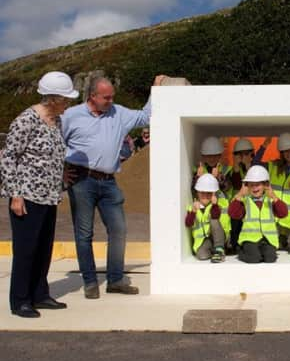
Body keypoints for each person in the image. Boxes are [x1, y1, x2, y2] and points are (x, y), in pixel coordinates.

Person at [62, 74, 164, 299]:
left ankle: (115, 280)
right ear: (92, 96)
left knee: (118, 230)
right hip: (81, 180)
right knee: (84, 233)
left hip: (108, 181)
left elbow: (146, 116)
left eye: (112, 97)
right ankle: (90, 281)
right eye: (106, 97)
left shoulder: (118, 113)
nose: (110, 101)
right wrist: (61, 171)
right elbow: (55, 143)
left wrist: (154, 89)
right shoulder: (71, 115)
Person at [1, 71, 79, 317]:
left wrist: (60, 176)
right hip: (27, 196)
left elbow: (52, 155)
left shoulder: (56, 121)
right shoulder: (26, 120)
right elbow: (8, 157)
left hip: (49, 195)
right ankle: (20, 300)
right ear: (52, 99)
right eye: (66, 100)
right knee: (26, 249)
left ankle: (40, 294)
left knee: (44, 247)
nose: (68, 104)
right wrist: (15, 193)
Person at [254, 133, 290, 253]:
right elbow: (255, 164)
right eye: (286, 151)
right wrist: (264, 146)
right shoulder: (273, 167)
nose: (289, 154)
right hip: (275, 218)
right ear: (281, 153)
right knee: (275, 251)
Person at [228, 165, 288, 263]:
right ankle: (240, 250)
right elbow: (233, 214)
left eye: (258, 185)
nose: (255, 188)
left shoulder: (270, 200)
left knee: (270, 258)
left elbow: (283, 213)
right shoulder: (244, 201)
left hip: (268, 239)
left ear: (265, 185)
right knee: (254, 258)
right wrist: (240, 194)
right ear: (247, 186)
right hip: (250, 239)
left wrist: (273, 196)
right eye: (251, 185)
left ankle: (260, 253)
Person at [184, 174, 227, 262]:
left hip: (216, 236)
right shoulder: (192, 207)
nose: (205, 195)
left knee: (213, 219)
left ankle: (219, 249)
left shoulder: (215, 206)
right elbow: (188, 223)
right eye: (202, 192)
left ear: (213, 194)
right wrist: (193, 212)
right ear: (197, 193)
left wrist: (214, 205)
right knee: (202, 256)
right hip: (203, 240)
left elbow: (216, 215)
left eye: (209, 193)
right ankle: (214, 252)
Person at [229, 138, 256, 252]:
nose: (243, 157)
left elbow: (254, 181)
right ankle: (235, 245)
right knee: (236, 224)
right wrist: (236, 165)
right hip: (238, 203)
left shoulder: (256, 169)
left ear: (251, 154)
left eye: (246, 154)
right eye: (239, 154)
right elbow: (235, 184)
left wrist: (248, 164)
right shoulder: (232, 170)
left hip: (253, 204)